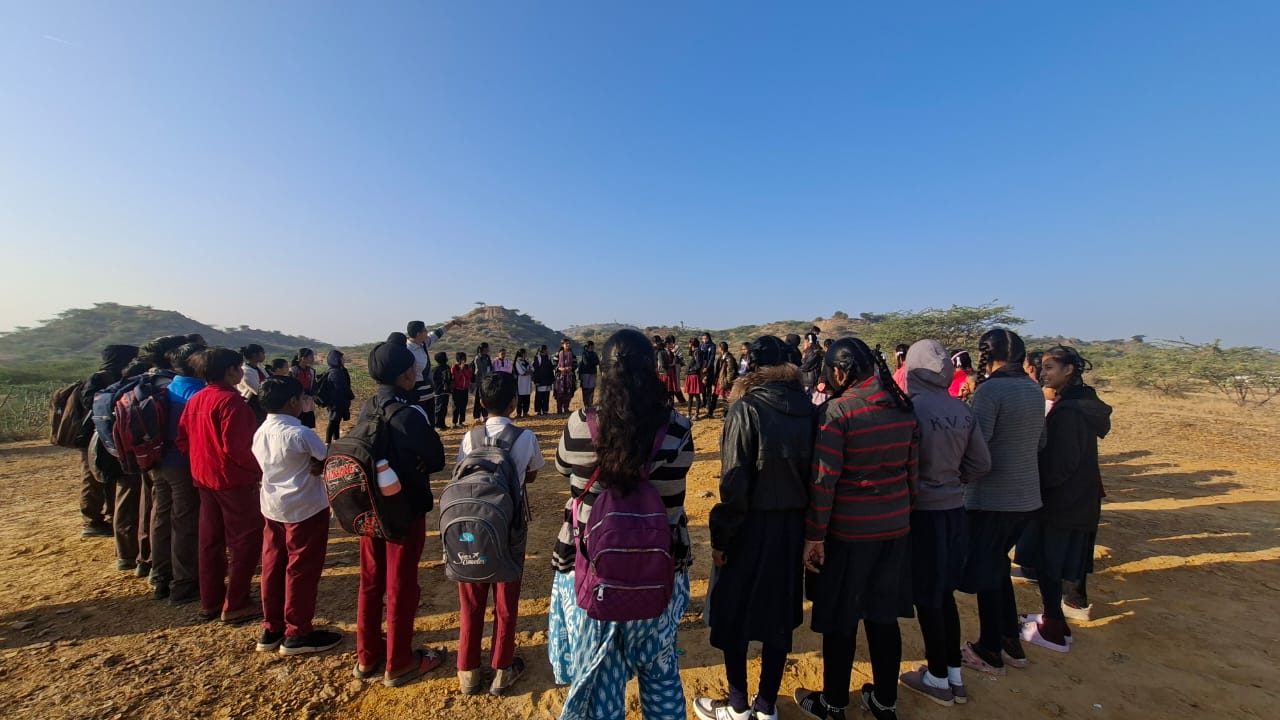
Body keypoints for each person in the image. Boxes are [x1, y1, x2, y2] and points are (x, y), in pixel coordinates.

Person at [548, 329, 695, 718]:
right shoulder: (678, 429)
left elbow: (564, 467)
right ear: (654, 372)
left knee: (602, 682)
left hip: (591, 573)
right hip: (659, 571)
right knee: (661, 672)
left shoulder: (579, 425)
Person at [794, 338, 919, 720]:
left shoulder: (839, 412)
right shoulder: (903, 408)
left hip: (849, 533)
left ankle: (833, 704)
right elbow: (912, 475)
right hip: (895, 528)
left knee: (841, 622)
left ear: (839, 371)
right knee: (883, 617)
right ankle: (884, 701)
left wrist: (814, 535)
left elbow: (824, 481)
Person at [696, 336, 813, 720]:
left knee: (734, 614)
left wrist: (722, 537)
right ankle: (766, 705)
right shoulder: (810, 409)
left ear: (753, 368)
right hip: (793, 528)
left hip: (748, 527)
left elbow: (734, 485)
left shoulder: (746, 409)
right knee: (778, 617)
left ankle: (737, 703)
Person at [896, 340, 991, 707]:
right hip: (955, 512)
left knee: (927, 596)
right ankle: (953, 671)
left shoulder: (910, 410)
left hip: (923, 515)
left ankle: (936, 677)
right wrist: (953, 481)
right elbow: (981, 464)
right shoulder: (962, 410)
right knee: (945, 594)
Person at [355, 337, 448, 687]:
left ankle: (367, 656)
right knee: (401, 584)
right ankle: (399, 661)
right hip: (403, 511)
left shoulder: (367, 407)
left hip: (368, 510)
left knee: (370, 581)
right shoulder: (408, 413)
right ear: (405, 374)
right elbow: (436, 459)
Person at [957, 329, 1046, 676]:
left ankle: (989, 650)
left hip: (993, 498)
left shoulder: (990, 391)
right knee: (996, 568)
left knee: (987, 573)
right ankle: (1010, 641)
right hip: (1026, 497)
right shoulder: (1032, 389)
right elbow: (1040, 442)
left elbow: (976, 448)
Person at [453, 372, 545, 695]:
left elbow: (460, 473)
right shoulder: (526, 438)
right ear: (514, 403)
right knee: (506, 601)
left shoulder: (469, 438)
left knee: (471, 600)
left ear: (480, 402)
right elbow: (531, 476)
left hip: (471, 527)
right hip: (509, 527)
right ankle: (502, 667)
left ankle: (467, 670)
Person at [1016, 346, 1111, 651]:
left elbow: (1063, 462)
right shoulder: (1079, 403)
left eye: (1050, 368)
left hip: (1062, 500)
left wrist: (1038, 486)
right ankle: (1052, 618)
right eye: (1042, 367)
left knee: (1049, 564)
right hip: (1077, 497)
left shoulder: (1071, 412)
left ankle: (1054, 630)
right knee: (1054, 563)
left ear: (1069, 370)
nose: (1043, 373)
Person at [251, 376, 343, 656]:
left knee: (272, 565)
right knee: (301, 568)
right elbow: (328, 460)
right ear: (293, 402)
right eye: (303, 398)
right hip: (305, 508)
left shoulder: (260, 431)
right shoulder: (300, 433)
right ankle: (298, 630)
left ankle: (273, 627)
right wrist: (319, 466)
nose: (305, 402)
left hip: (272, 507)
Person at [177, 347, 264, 624]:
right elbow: (239, 448)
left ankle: (211, 600)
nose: (241, 372)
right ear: (230, 371)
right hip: (233, 481)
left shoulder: (196, 400)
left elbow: (182, 440)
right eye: (238, 368)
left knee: (210, 541)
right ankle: (236, 602)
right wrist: (259, 470)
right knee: (244, 540)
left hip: (204, 478)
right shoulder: (232, 403)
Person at [151, 343, 206, 605]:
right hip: (184, 465)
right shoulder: (199, 393)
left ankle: (161, 575)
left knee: (162, 516)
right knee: (185, 522)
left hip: (161, 462)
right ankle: (184, 583)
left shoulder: (167, 387)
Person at [76, 344, 139, 537]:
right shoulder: (99, 379)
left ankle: (112, 516)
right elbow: (91, 404)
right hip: (96, 436)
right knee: (94, 478)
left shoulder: (114, 377)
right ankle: (92, 521)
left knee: (113, 476)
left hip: (111, 436)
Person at [406, 319, 464, 417]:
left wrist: (452, 323)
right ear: (418, 334)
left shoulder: (423, 343)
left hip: (428, 393)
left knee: (430, 423)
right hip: (416, 395)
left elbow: (437, 333)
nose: (427, 332)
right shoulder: (407, 350)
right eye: (424, 330)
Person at [322, 349, 355, 445]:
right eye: (342, 358)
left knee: (336, 421)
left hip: (338, 401)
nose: (343, 360)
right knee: (333, 421)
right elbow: (341, 387)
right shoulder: (336, 372)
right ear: (336, 359)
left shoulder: (339, 371)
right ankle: (327, 442)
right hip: (335, 402)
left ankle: (336, 439)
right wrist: (350, 395)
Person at [238, 344, 268, 425]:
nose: (264, 355)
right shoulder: (246, 371)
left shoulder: (259, 368)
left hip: (262, 402)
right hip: (252, 404)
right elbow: (257, 390)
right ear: (255, 355)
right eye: (262, 353)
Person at [288, 348, 318, 429]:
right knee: (298, 423)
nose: (313, 359)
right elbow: (290, 385)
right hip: (297, 400)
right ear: (303, 358)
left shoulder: (311, 371)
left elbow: (314, 384)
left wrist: (314, 394)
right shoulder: (293, 371)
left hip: (308, 400)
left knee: (308, 423)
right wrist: (299, 395)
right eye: (311, 356)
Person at [709, 341, 736, 419]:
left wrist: (728, 381)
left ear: (721, 348)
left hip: (724, 380)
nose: (718, 349)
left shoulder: (729, 358)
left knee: (725, 397)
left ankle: (726, 415)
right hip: (719, 379)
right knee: (714, 396)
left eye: (719, 347)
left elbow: (731, 371)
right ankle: (710, 412)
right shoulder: (721, 357)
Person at [554, 338, 577, 415]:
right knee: (559, 392)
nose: (568, 345)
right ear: (562, 345)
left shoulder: (572, 354)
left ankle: (566, 408)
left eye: (569, 343)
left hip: (569, 377)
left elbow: (575, 364)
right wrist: (560, 368)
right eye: (566, 343)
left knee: (568, 392)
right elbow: (554, 364)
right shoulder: (558, 354)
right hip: (560, 377)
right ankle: (559, 409)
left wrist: (571, 368)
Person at [431, 351, 453, 431]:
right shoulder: (436, 369)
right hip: (439, 391)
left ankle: (442, 424)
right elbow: (434, 380)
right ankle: (436, 425)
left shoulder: (447, 367)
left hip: (446, 391)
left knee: (444, 408)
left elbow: (450, 378)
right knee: (438, 409)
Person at [451, 352, 474, 427]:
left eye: (465, 358)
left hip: (465, 389)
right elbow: (456, 378)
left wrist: (464, 369)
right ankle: (454, 422)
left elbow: (469, 376)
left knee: (463, 406)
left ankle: (461, 422)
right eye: (462, 359)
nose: (464, 360)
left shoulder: (467, 367)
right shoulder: (454, 367)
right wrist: (460, 370)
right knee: (456, 406)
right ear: (459, 359)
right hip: (457, 389)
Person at [683, 337, 704, 419]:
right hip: (691, 375)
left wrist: (691, 370)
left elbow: (699, 365)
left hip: (694, 375)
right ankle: (689, 413)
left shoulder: (697, 352)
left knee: (696, 395)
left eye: (689, 343)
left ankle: (696, 414)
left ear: (692, 344)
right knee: (690, 395)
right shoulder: (694, 352)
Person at [473, 343, 494, 422]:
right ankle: (476, 416)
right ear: (484, 349)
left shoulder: (487, 357)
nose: (488, 349)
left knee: (485, 398)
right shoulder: (478, 358)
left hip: (487, 381)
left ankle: (485, 415)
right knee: (478, 399)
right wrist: (485, 377)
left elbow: (490, 368)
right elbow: (479, 370)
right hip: (480, 381)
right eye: (487, 348)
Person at [533, 344, 555, 416]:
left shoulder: (549, 357)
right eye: (545, 350)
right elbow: (536, 370)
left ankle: (545, 410)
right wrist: (536, 381)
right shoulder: (538, 358)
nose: (546, 351)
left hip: (547, 380)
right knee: (539, 396)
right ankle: (538, 410)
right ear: (542, 350)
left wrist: (552, 379)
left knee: (546, 396)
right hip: (540, 380)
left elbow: (551, 369)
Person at [578, 341, 600, 408]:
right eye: (591, 346)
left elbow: (597, 362)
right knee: (585, 389)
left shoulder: (594, 354)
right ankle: (586, 404)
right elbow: (585, 363)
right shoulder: (584, 353)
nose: (592, 347)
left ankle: (590, 403)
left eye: (593, 346)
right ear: (588, 346)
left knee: (591, 389)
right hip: (585, 373)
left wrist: (591, 362)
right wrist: (593, 363)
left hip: (592, 373)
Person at [514, 348, 534, 418]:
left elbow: (533, 369)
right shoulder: (517, 362)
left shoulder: (527, 361)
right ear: (522, 354)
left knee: (527, 398)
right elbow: (521, 372)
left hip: (527, 382)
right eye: (525, 353)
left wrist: (527, 372)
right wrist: (528, 372)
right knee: (520, 399)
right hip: (520, 383)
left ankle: (525, 412)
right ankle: (519, 413)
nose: (526, 354)